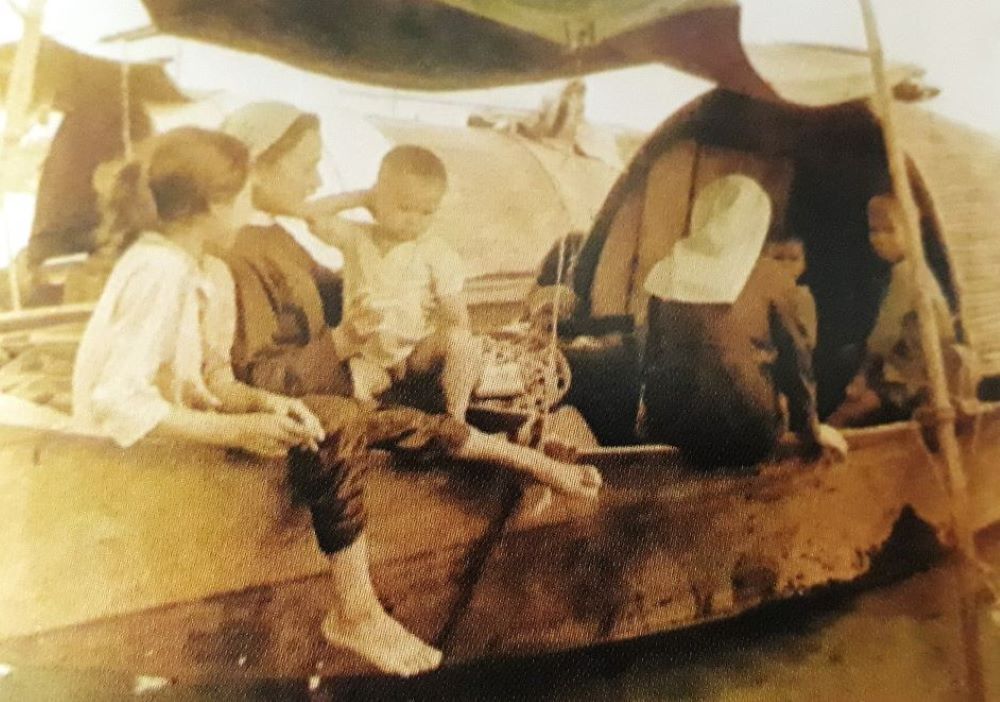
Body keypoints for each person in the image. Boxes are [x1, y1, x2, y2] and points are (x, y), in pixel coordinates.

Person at [71, 127, 446, 677]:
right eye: (246, 195)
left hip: (170, 434)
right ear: (215, 205)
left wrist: (265, 405)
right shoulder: (159, 271)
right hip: (125, 463)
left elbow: (213, 380)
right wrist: (236, 432)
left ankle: (357, 607)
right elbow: (117, 404)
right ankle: (356, 609)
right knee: (339, 418)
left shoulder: (198, 267)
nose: (253, 208)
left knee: (318, 416)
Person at [220, 103, 601, 489]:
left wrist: (399, 296)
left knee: (475, 386)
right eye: (307, 166)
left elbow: (328, 289)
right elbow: (258, 375)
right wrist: (344, 340)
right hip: (333, 392)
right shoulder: (242, 253)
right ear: (258, 167)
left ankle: (524, 453)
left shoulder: (275, 240)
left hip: (353, 373)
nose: (317, 182)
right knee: (436, 424)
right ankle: (536, 467)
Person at [638, 174, 847, 467]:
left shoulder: (667, 270)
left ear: (704, 214)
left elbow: (650, 357)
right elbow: (796, 363)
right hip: (747, 434)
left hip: (673, 431)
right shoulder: (773, 278)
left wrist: (650, 418)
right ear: (756, 223)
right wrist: (810, 428)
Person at [303, 144, 484, 420]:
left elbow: (457, 320)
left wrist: (445, 348)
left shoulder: (436, 252)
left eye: (426, 212)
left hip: (414, 355)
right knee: (349, 386)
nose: (414, 221)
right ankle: (378, 409)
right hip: (366, 354)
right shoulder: (357, 237)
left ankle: (455, 416)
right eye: (405, 208)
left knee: (462, 342)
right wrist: (363, 197)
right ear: (379, 198)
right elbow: (312, 214)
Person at [827, 194, 974, 426]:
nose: (879, 239)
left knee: (844, 416)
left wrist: (861, 379)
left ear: (912, 232)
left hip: (913, 379)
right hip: (910, 371)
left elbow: (883, 338)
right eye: (874, 231)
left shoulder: (907, 274)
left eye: (889, 231)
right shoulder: (911, 271)